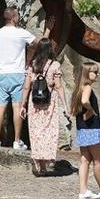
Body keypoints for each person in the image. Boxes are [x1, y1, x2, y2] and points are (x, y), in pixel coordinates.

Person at [70, 62, 100, 199]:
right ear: (86, 74)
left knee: (84, 160)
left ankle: (83, 191)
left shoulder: (78, 89)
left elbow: (74, 110)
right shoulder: (88, 87)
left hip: (82, 130)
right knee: (98, 161)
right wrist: (91, 110)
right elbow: (85, 101)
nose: (97, 74)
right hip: (92, 130)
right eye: (94, 72)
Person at [0, 7, 35, 150]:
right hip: (17, 73)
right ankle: (17, 141)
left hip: (2, 73)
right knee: (17, 107)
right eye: (18, 16)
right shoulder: (21, 33)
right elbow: (36, 43)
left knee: (0, 106)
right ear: (14, 18)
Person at [20, 38, 64, 176]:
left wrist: (23, 105)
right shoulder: (55, 65)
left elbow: (27, 87)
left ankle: (38, 161)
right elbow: (58, 86)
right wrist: (65, 105)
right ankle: (45, 164)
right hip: (49, 103)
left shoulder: (32, 65)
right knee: (48, 132)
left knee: (36, 132)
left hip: (35, 104)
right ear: (50, 49)